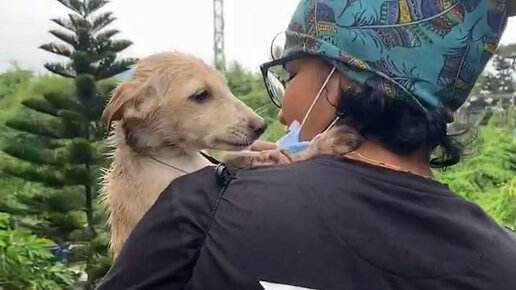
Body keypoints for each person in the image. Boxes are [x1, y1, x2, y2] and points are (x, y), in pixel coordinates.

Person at [97, 1, 516, 289]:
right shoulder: (505, 260)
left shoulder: (204, 208)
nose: (278, 117)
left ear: (343, 78)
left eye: (291, 75)